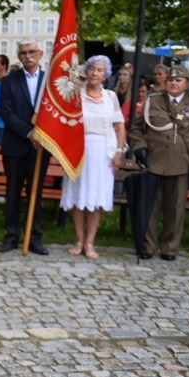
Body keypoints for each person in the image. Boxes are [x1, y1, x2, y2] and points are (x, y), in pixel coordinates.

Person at [128, 65, 189, 261]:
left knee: (175, 209)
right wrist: (139, 147)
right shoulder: (153, 101)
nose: (174, 83)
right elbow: (136, 128)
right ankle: (147, 246)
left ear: (187, 84)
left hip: (181, 164)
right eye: (171, 80)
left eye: (178, 80)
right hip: (154, 161)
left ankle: (170, 248)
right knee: (151, 208)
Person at [60, 56, 126, 259]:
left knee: (96, 198)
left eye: (100, 70)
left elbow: (120, 126)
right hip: (79, 149)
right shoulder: (75, 96)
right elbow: (65, 124)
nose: (95, 73)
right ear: (86, 71)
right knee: (78, 195)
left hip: (103, 150)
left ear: (105, 75)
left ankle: (90, 243)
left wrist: (119, 151)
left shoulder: (111, 97)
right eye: (92, 69)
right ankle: (79, 240)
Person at [0, 38, 50, 255]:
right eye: (24, 52)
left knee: (35, 193)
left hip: (40, 148)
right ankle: (11, 235)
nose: (28, 56)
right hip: (16, 144)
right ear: (19, 56)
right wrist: (29, 133)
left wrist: (41, 136)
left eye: (32, 51)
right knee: (13, 192)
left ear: (41, 54)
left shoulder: (50, 81)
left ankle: (34, 237)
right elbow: (7, 113)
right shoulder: (9, 81)